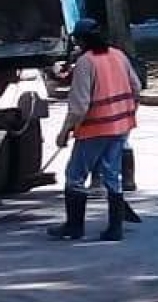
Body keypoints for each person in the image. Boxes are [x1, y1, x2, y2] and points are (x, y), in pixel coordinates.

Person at [47, 18, 141, 242]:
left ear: (80, 40)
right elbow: (136, 87)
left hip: (94, 129)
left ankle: (74, 227)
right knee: (112, 176)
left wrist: (63, 133)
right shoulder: (119, 55)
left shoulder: (86, 63)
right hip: (120, 127)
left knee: (75, 176)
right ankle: (114, 229)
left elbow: (79, 106)